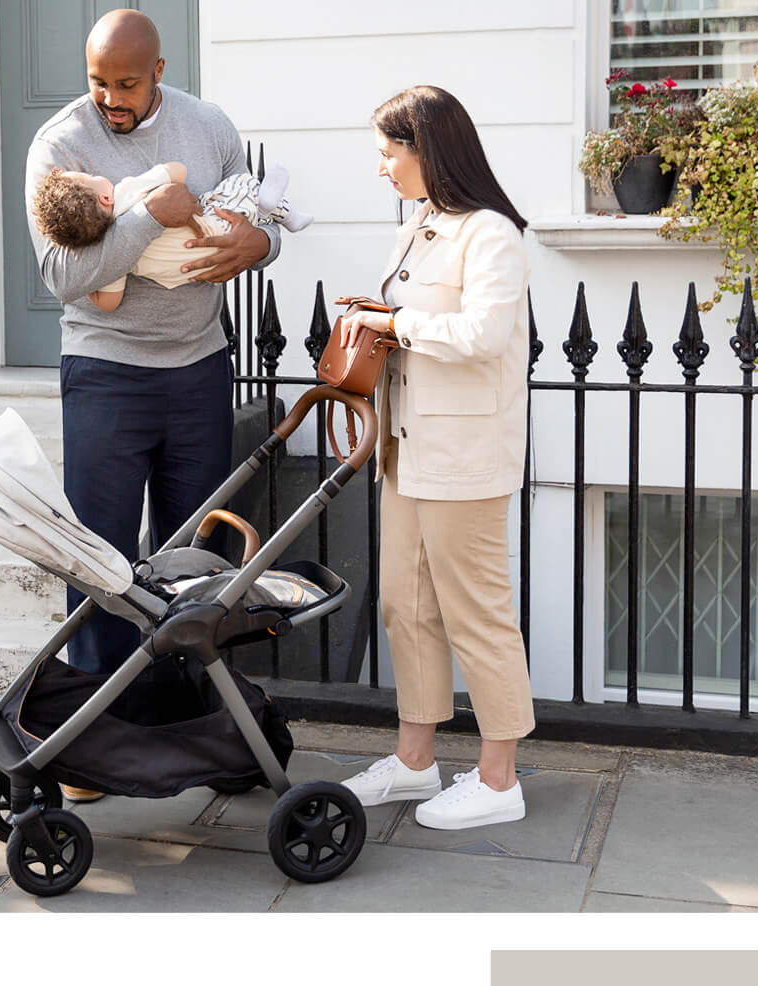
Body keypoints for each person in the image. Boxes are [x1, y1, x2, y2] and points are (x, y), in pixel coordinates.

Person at [25, 10, 281, 802]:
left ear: (159, 70)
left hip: (198, 370)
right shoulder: (60, 144)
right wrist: (144, 216)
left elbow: (254, 216)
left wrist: (261, 246)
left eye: (126, 84)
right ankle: (98, 739)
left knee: (200, 559)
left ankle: (204, 725)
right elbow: (62, 278)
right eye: (98, 81)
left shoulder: (208, 126)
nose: (110, 99)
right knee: (100, 559)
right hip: (105, 374)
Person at [337, 86, 536, 831]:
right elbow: (414, 326)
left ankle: (498, 779)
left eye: (390, 153)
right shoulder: (423, 226)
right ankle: (416, 763)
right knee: (405, 605)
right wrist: (374, 323)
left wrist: (397, 322)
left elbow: (483, 333)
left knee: (477, 615)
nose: (382, 168)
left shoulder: (492, 235)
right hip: (408, 450)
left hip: (465, 458)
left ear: (428, 150)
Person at [31, 161, 311, 311]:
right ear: (105, 196)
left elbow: (109, 303)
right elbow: (178, 170)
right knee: (237, 189)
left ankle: (272, 210)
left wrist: (92, 288)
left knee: (245, 213)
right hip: (218, 229)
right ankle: (271, 206)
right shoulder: (126, 192)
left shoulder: (111, 255)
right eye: (90, 175)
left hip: (198, 269)